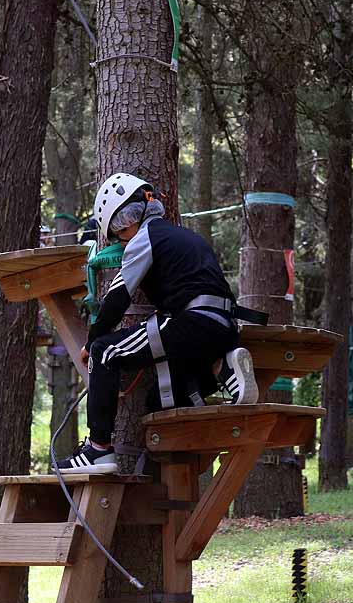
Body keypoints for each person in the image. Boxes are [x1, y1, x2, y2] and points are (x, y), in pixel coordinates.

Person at [55, 173, 261, 475]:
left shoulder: (144, 238)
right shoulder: (186, 237)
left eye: (117, 233)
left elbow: (118, 296)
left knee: (104, 352)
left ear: (123, 222)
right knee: (160, 397)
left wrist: (92, 340)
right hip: (225, 326)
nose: (120, 240)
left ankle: (98, 450)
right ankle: (223, 368)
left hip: (191, 321)